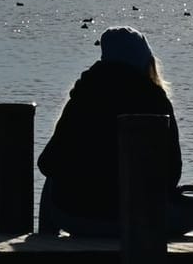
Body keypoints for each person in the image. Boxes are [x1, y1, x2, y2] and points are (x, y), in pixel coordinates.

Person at [37, 26, 184, 237]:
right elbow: (173, 171)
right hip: (139, 219)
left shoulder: (84, 97)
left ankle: (45, 244)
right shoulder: (156, 101)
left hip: (76, 217)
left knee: (53, 180)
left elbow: (47, 163)